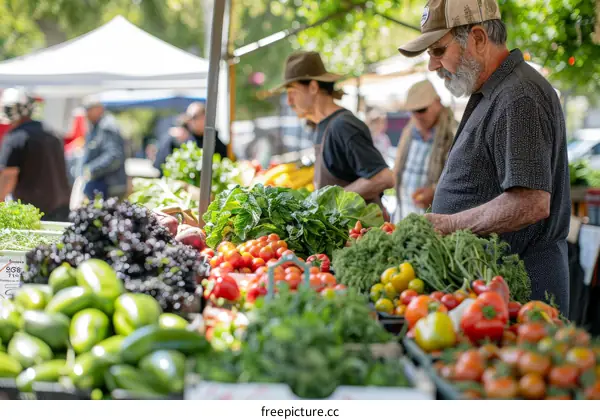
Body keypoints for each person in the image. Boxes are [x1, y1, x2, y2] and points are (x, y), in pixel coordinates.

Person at [398, 0, 571, 313]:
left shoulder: (519, 96)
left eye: (438, 51)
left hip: (521, 294)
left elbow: (530, 202)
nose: (432, 66)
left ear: (478, 38)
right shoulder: (496, 90)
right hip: (494, 290)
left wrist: (445, 224)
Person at [281, 51, 394, 216]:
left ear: (313, 87)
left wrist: (330, 202)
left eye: (292, 92)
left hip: (361, 234)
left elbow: (384, 178)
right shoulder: (321, 126)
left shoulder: (343, 126)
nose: (288, 101)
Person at [0, 88, 71, 221]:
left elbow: (8, 177)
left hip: (32, 213)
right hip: (60, 208)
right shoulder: (51, 133)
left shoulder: (15, 138)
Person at [393, 80, 457, 219]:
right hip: (403, 213)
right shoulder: (409, 131)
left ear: (437, 102)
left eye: (422, 109)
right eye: (413, 111)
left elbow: (460, 177)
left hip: (436, 219)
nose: (417, 116)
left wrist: (435, 191)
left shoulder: (454, 133)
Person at [153, 102, 228, 174]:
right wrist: (173, 141)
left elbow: (225, 163)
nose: (189, 120)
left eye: (194, 117)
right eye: (188, 117)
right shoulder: (180, 137)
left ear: (205, 117)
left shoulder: (214, 141)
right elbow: (160, 165)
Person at [81, 99, 127, 200]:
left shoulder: (107, 126)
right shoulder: (98, 125)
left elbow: (114, 156)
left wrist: (91, 169)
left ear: (99, 109)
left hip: (109, 187)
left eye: (89, 109)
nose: (86, 113)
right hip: (102, 186)